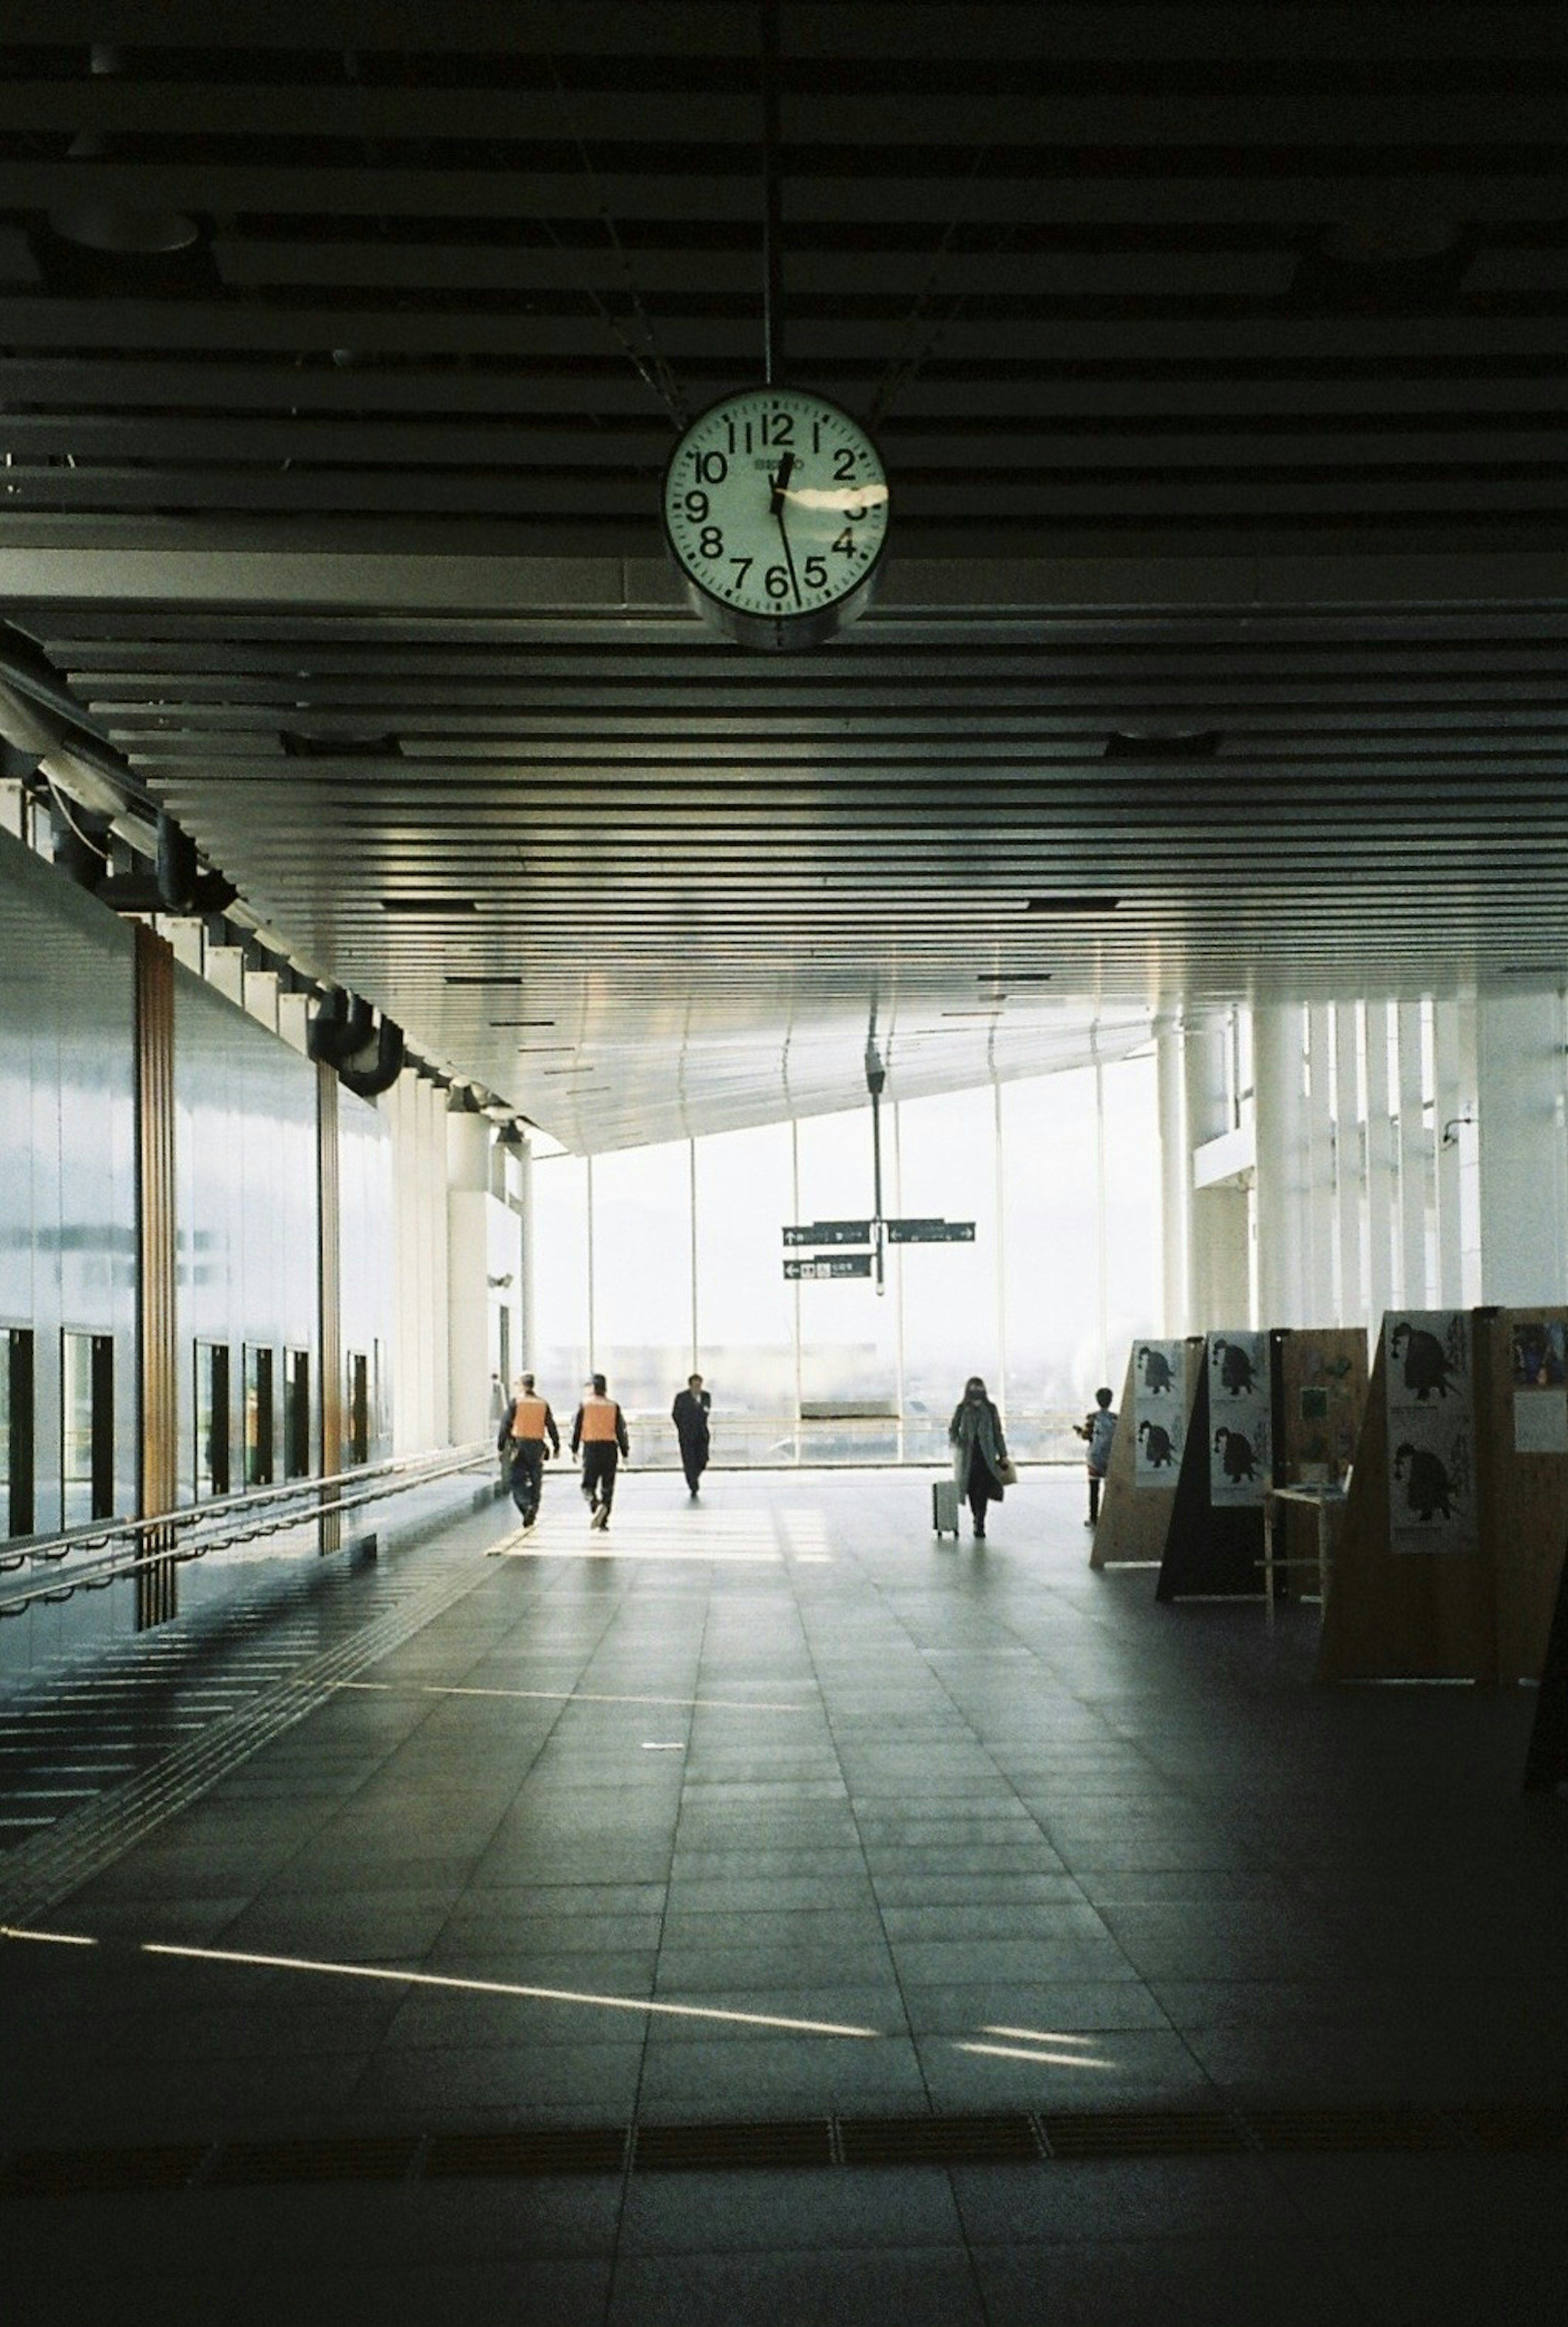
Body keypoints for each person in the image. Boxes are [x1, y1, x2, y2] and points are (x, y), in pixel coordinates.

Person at [948, 1374, 1009, 1540]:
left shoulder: (991, 1409)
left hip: (986, 1457)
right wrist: (958, 1441)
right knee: (971, 1490)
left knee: (983, 1490)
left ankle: (980, 1521)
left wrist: (1003, 1455)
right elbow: (953, 1429)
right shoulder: (962, 1409)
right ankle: (977, 1517)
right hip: (968, 1457)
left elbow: (998, 1433)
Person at [496, 1371, 559, 1531]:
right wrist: (557, 1446)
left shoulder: (516, 1403)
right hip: (537, 1446)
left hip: (519, 1445)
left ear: (522, 1385)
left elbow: (505, 1426)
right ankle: (534, 1508)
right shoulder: (542, 1404)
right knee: (536, 1479)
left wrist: (501, 1447)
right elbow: (551, 1426)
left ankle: (526, 1507)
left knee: (517, 1480)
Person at [572, 1372, 630, 1530]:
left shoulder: (585, 1405)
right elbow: (621, 1431)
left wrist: (575, 1448)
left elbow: (577, 1428)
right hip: (610, 1449)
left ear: (592, 1388)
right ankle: (603, 1521)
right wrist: (625, 1452)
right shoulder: (613, 1406)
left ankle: (595, 1505)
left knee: (587, 1486)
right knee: (608, 1486)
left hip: (591, 1448)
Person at [1075, 1385, 1118, 1526]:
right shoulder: (1116, 1419)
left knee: (1094, 1489)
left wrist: (1079, 1431)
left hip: (1095, 1459)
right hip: (1112, 1457)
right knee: (1111, 1489)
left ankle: (1094, 1519)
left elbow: (1086, 1435)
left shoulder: (1093, 1418)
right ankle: (1112, 1517)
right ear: (1111, 1401)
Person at [671, 1372, 712, 1496]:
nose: (697, 1388)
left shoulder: (706, 1396)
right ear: (690, 1386)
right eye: (695, 1386)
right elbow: (675, 1415)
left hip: (702, 1435)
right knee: (689, 1462)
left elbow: (706, 1411)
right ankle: (693, 1484)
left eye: (699, 1386)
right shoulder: (681, 1398)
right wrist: (683, 1428)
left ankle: (696, 1475)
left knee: (703, 1460)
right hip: (687, 1436)